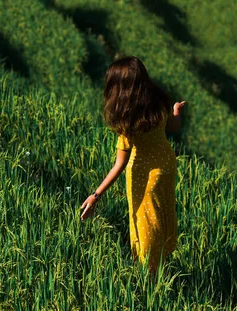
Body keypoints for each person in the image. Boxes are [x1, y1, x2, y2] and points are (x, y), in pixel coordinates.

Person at [79, 56, 186, 276]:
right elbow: (174, 127)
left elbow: (120, 164)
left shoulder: (128, 120)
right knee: (161, 216)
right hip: (166, 168)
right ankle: (162, 266)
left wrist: (95, 195)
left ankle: (150, 279)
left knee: (145, 225)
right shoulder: (159, 101)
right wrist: (176, 111)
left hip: (143, 177)